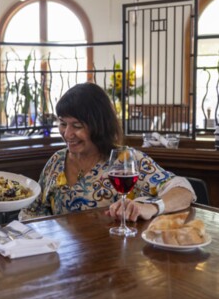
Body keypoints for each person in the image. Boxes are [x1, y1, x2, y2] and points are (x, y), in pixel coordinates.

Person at [19, 82, 195, 221]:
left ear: (99, 125)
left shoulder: (125, 159)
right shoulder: (57, 160)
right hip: (65, 257)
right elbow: (33, 211)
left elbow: (184, 190)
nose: (67, 133)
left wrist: (151, 207)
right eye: (63, 123)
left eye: (77, 126)